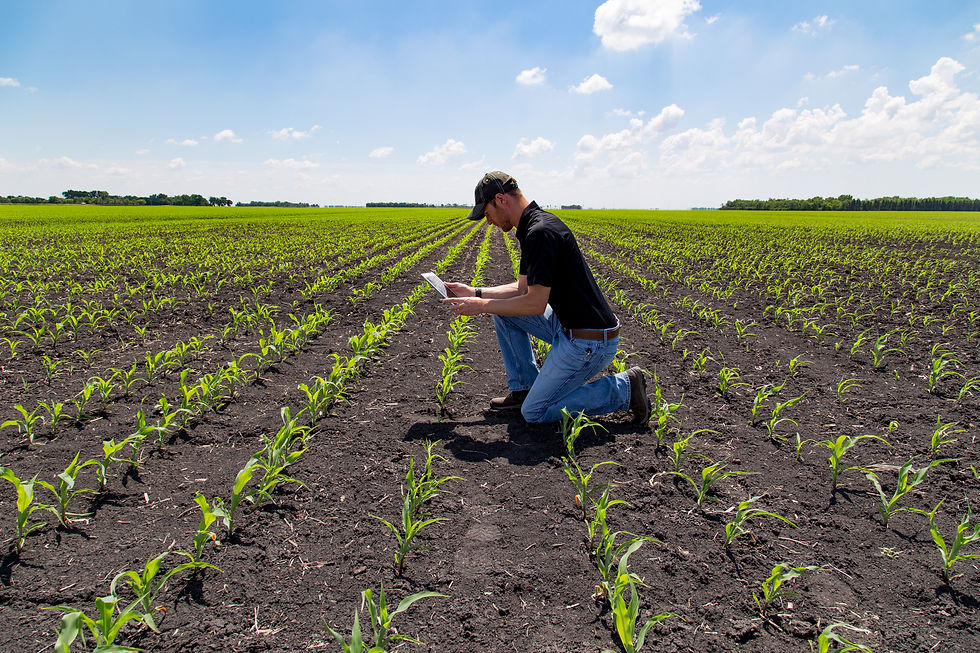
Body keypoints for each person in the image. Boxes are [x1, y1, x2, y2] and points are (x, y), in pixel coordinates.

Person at [443, 170, 651, 426]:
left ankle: (624, 389)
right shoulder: (533, 226)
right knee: (504, 313)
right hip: (570, 325)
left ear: (500, 199)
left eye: (487, 213)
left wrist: (481, 306)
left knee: (535, 412)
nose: (488, 222)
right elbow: (522, 290)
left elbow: (534, 303)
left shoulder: (540, 232)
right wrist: (474, 292)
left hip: (589, 342)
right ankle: (525, 388)